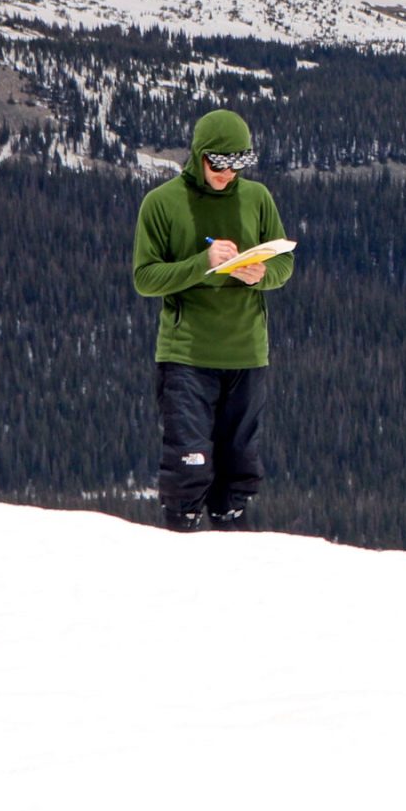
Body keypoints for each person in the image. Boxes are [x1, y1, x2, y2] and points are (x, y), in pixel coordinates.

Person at [130, 108, 295, 531]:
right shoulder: (162, 203)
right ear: (199, 156)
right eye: (219, 163)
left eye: (239, 163)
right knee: (189, 463)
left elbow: (284, 264)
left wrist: (262, 273)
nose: (228, 173)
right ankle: (180, 537)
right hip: (187, 355)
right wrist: (202, 263)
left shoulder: (258, 199)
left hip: (247, 354)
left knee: (239, 465)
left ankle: (232, 543)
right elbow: (146, 278)